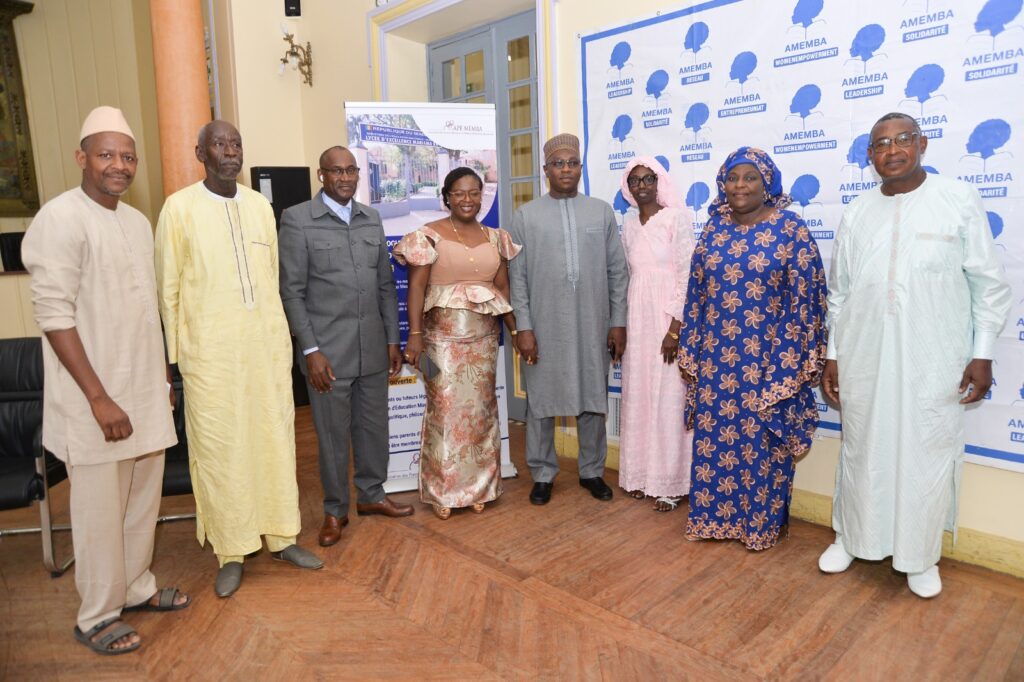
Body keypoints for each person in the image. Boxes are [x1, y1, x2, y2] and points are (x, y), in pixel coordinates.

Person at [818, 112, 1011, 598]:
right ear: (870, 156)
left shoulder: (957, 199)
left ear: (922, 144)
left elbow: (987, 283)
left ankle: (920, 555)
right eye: (881, 144)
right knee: (862, 447)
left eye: (903, 139)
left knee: (927, 449)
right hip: (864, 355)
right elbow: (840, 293)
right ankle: (851, 537)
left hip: (935, 356)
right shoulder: (858, 211)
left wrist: (983, 352)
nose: (892, 150)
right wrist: (834, 354)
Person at [21, 106, 188, 655]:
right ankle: (96, 614)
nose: (119, 165)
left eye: (128, 156)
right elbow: (54, 317)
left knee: (141, 502)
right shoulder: (59, 219)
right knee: (98, 513)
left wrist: (162, 378)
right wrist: (98, 398)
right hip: (95, 399)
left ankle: (134, 587)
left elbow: (145, 312)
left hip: (143, 392)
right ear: (82, 158)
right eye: (107, 155)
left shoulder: (136, 222)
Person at [155, 120, 322, 599]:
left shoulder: (259, 206)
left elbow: (270, 279)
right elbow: (167, 290)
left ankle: (282, 537)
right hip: (211, 356)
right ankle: (231, 550)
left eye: (236, 144)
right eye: (219, 144)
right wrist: (174, 360)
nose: (230, 152)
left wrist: (280, 340)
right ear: (200, 153)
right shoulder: (178, 209)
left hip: (264, 350)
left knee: (274, 439)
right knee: (222, 448)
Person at [678, 147, 828, 550]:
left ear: (768, 184)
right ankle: (714, 520)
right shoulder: (714, 230)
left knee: (763, 444)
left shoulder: (791, 230)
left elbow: (809, 298)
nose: (739, 185)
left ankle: (759, 527)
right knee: (716, 442)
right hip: (717, 361)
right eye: (732, 178)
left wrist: (788, 362)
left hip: (771, 360)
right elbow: (696, 296)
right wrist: (692, 348)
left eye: (750, 178)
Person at [278, 145, 412, 548]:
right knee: (333, 437)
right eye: (336, 171)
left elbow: (385, 286)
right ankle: (335, 510)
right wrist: (310, 351)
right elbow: (292, 292)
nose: (345, 178)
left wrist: (392, 339)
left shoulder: (371, 218)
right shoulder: (298, 219)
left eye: (351, 170)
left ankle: (371, 495)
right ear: (321, 175)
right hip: (328, 355)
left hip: (372, 348)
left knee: (373, 428)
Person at [508, 133, 629, 505]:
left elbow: (617, 271)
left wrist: (618, 321)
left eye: (572, 163)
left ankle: (591, 470)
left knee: (592, 397)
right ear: (545, 170)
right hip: (543, 326)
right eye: (558, 164)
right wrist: (524, 327)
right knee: (541, 401)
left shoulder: (601, 212)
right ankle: (543, 473)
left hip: (593, 323)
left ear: (580, 167)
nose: (566, 170)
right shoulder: (525, 216)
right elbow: (517, 278)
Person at [393, 168, 521, 519]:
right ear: (446, 197)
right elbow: (417, 288)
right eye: (459, 193)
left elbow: (502, 289)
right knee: (445, 413)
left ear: (482, 196)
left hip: (483, 342)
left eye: (474, 193)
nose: (467, 199)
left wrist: (515, 331)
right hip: (439, 343)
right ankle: (444, 491)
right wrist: (414, 336)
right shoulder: (428, 236)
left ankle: (480, 488)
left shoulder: (496, 237)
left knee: (481, 413)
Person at [617, 157, 695, 512]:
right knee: (640, 395)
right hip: (638, 319)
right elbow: (628, 275)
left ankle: (671, 484)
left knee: (669, 399)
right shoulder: (629, 224)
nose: (642, 186)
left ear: (659, 181)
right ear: (628, 187)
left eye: (648, 178)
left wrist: (674, 329)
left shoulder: (676, 218)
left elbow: (687, 275)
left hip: (667, 320)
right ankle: (639, 476)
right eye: (635, 180)